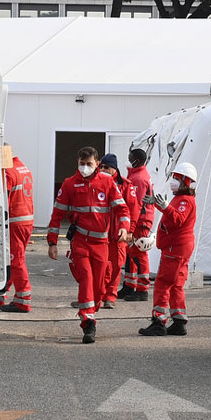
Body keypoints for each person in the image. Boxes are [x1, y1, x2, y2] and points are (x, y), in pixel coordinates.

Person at [48, 146, 129, 344]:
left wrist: (124, 227)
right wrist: (52, 242)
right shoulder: (69, 184)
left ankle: (93, 307)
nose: (85, 167)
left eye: (89, 164)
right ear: (77, 163)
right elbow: (57, 214)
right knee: (86, 279)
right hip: (80, 242)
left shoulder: (107, 182)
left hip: (101, 242)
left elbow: (122, 208)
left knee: (99, 287)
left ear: (97, 164)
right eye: (82, 164)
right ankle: (88, 322)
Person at [138, 161, 198, 338]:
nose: (173, 181)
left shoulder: (185, 200)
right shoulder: (182, 199)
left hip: (175, 249)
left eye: (176, 178)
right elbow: (172, 212)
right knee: (176, 285)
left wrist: (163, 206)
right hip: (179, 247)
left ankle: (158, 322)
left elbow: (177, 219)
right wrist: (158, 204)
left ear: (186, 182)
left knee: (163, 283)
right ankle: (179, 321)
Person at [0, 147, 35, 312]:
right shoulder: (23, 167)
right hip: (26, 220)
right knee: (12, 259)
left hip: (14, 222)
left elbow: (2, 200)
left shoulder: (7, 172)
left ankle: (23, 300)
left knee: (15, 261)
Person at [97, 153, 138, 310]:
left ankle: (110, 297)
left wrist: (129, 231)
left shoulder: (126, 185)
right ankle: (98, 295)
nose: (103, 169)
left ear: (114, 168)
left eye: (106, 167)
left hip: (118, 234)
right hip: (101, 233)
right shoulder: (97, 182)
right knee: (100, 266)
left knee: (115, 266)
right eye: (101, 166)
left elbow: (133, 210)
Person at [120, 148, 155, 301]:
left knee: (139, 254)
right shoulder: (136, 175)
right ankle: (129, 285)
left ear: (138, 160)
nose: (128, 159)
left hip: (140, 221)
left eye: (130, 157)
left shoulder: (139, 178)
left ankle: (142, 289)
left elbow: (135, 204)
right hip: (139, 220)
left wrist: (131, 227)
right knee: (131, 254)